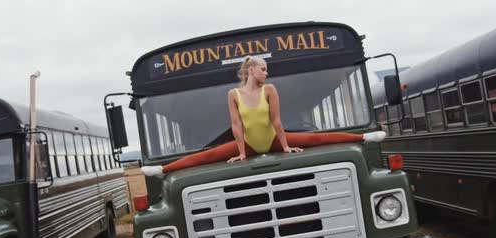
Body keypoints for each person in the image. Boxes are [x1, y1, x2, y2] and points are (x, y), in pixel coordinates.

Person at [142, 57, 385, 177]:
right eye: (263, 69)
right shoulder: (233, 94)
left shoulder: (269, 90)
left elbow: (276, 121)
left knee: (317, 139)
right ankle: (162, 169)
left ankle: (365, 137)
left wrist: (287, 146)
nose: (266, 73)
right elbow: (236, 125)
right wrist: (240, 152)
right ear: (251, 70)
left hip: (272, 139)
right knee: (209, 155)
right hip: (248, 143)